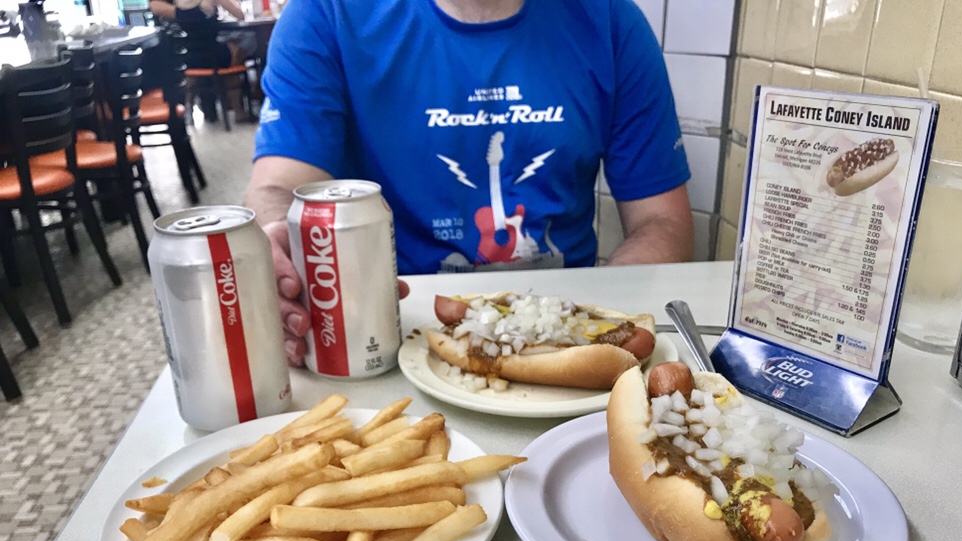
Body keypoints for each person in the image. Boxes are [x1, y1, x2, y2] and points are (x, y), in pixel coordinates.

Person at [245, 0, 695, 367]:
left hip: (568, 322)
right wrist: (280, 245)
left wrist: (593, 324)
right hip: (391, 329)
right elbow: (279, 186)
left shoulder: (612, 20)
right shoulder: (325, 13)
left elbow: (662, 220)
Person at [149, 0, 255, 121]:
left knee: (213, 59)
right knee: (236, 53)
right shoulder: (207, 3)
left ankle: (188, 107)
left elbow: (155, 6)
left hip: (186, 58)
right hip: (214, 57)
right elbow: (240, 15)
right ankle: (238, 109)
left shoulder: (174, 9)